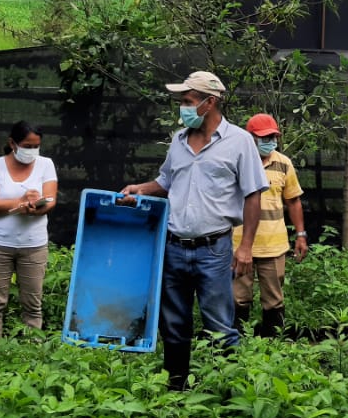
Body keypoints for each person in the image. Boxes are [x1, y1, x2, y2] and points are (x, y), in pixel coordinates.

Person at [120, 71, 267, 389]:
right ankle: (177, 387)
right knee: (173, 323)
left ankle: (224, 393)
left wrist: (246, 247)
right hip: (174, 245)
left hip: (214, 249)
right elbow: (166, 181)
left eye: (188, 101)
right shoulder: (179, 140)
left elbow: (254, 194)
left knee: (219, 325)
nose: (183, 107)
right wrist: (140, 189)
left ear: (209, 102)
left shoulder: (239, 141)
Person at [0, 121, 58, 337]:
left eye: (36, 146)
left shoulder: (46, 165)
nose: (32, 151)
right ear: (12, 143)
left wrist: (35, 208)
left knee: (33, 303)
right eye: (27, 146)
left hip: (34, 245)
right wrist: (19, 201)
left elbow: (50, 201)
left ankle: (31, 349)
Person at [232, 113, 308, 338]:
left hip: (273, 245)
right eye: (265, 137)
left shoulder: (283, 163)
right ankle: (235, 347)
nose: (270, 141)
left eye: (273, 137)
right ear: (251, 138)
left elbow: (293, 201)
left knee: (274, 299)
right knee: (237, 297)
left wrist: (301, 235)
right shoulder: (236, 162)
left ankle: (273, 345)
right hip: (238, 244)